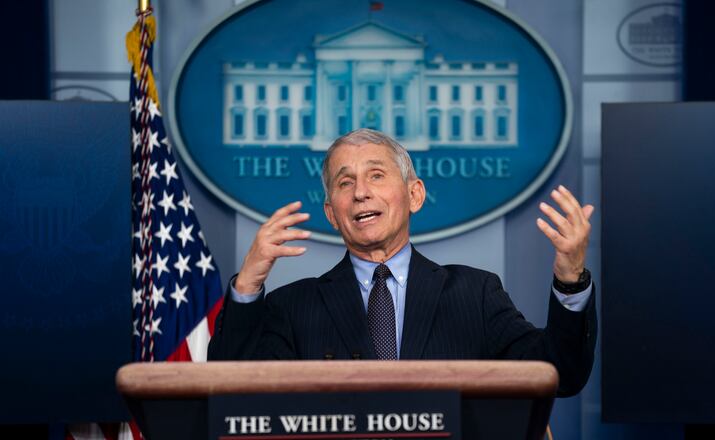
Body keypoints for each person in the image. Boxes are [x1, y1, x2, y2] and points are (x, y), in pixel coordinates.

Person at [208, 128, 596, 396]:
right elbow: (230, 391)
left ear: (414, 195)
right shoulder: (292, 307)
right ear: (331, 212)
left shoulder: (475, 294)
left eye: (376, 175)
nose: (361, 192)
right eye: (345, 183)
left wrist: (569, 279)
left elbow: (559, 374)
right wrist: (247, 287)